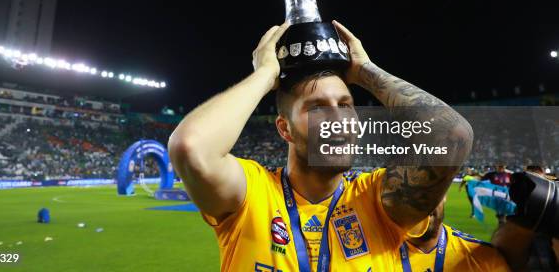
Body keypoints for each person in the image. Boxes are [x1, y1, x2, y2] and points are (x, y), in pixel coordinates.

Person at [169, 21, 473, 271]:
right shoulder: (252, 194)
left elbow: (452, 135)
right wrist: (264, 74)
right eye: (317, 108)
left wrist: (365, 71)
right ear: (284, 128)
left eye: (345, 104)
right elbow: (191, 147)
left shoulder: (379, 201)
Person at [400, 196, 509, 271]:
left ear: (444, 195)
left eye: (431, 192)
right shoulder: (383, 254)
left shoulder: (487, 259)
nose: (422, 203)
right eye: (410, 193)